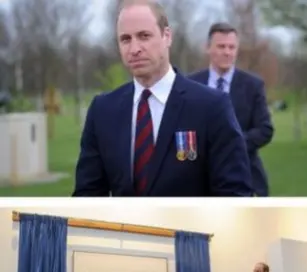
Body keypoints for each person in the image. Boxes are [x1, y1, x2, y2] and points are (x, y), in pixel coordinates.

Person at [73, 0, 252, 196]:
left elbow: (234, 195)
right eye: (125, 39)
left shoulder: (212, 107)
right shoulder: (103, 111)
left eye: (144, 36)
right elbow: (87, 194)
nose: (134, 48)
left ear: (167, 36)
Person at [189, 23, 274, 197]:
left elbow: (265, 130)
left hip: (245, 176)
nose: (227, 52)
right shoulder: (190, 84)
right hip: (198, 180)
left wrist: (230, 143)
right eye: (221, 46)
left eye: (231, 47)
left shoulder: (253, 85)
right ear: (207, 48)